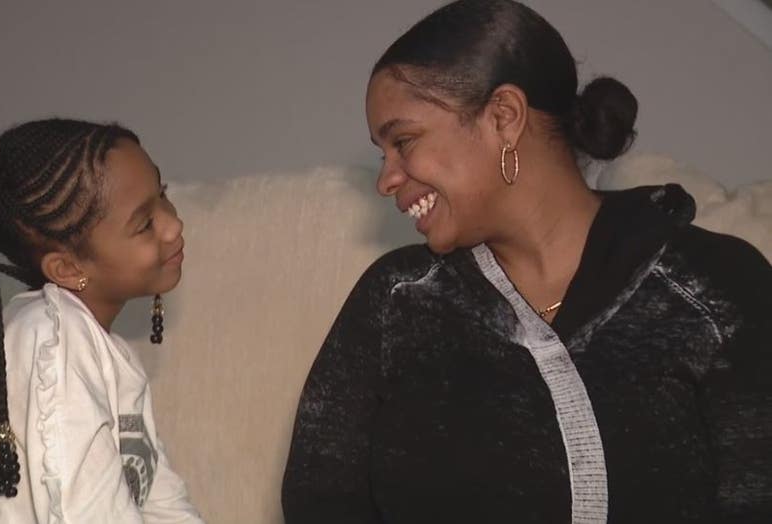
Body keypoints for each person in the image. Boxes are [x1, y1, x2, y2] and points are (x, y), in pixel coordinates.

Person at [281, 1, 772, 522]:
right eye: (384, 153)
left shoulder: (715, 287)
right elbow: (319, 502)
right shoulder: (394, 300)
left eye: (403, 141)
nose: (386, 179)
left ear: (504, 117)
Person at [0, 119, 204, 523]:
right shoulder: (53, 348)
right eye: (145, 223)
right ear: (67, 267)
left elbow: (163, 504)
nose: (173, 224)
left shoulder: (106, 352)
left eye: (162, 194)